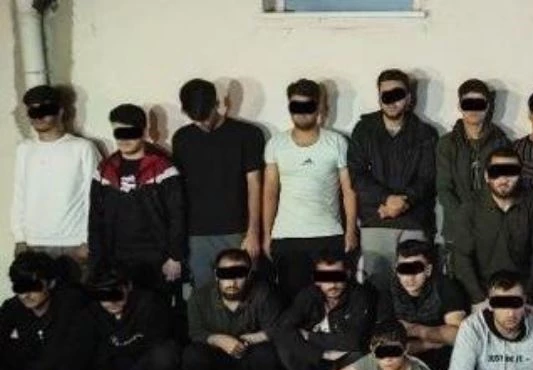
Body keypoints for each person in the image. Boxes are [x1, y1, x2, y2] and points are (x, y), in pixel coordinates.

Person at [262, 79, 358, 299]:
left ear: (320, 107)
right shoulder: (276, 144)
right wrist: (267, 235)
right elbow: (270, 193)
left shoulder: (337, 142)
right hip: (286, 237)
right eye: (297, 106)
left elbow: (349, 191)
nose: (302, 113)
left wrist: (351, 230)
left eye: (308, 106)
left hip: (328, 235)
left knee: (331, 300)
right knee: (292, 302)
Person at [348, 69, 438, 292]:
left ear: (408, 97)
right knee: (378, 289)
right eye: (385, 95)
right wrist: (387, 199)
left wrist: (403, 203)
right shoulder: (364, 129)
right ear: (379, 97)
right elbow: (357, 175)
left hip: (414, 221)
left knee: (416, 290)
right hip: (376, 220)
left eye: (397, 94)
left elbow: (428, 178)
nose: (391, 101)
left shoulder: (425, 133)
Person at [172, 79, 265, 288]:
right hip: (196, 233)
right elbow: (178, 192)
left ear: (218, 103)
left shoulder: (247, 134)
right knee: (203, 293)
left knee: (241, 291)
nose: (204, 123)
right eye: (197, 119)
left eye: (207, 116)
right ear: (185, 112)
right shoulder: (182, 139)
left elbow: (255, 185)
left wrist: (253, 232)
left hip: (237, 230)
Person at [89, 103, 185, 297]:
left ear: (143, 131)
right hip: (116, 260)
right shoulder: (104, 169)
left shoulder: (163, 168)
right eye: (119, 133)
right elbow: (95, 217)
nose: (124, 139)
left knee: (156, 309)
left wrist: (175, 257)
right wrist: (97, 259)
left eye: (130, 132)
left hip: (156, 259)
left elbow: (178, 215)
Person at [275, 251, 378, 370]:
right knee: (286, 346)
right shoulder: (308, 295)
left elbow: (354, 340)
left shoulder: (360, 295)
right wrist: (321, 353)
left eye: (337, 277)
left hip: (348, 356)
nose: (332, 284)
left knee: (357, 357)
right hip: (319, 356)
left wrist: (311, 336)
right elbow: (283, 328)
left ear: (348, 274)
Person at [182, 249, 286, 370]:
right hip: (219, 360)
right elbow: (195, 332)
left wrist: (254, 338)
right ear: (216, 275)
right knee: (192, 354)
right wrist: (217, 339)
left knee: (269, 354)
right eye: (225, 275)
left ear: (249, 275)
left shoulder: (263, 292)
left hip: (252, 358)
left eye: (239, 275)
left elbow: (278, 329)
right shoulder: (199, 297)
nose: (232, 282)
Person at [75, 268, 185, 370]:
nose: (112, 302)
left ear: (128, 287)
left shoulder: (149, 303)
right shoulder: (92, 312)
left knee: (165, 351)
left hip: (151, 365)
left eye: (116, 294)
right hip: (122, 364)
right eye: (104, 297)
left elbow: (157, 343)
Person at [12, 85, 100, 275]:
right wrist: (20, 238)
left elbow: (96, 197)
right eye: (33, 111)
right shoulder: (24, 149)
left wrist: (88, 240)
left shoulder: (82, 148)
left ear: (60, 111)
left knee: (75, 294)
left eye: (45, 110)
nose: (39, 117)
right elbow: (19, 193)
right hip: (32, 243)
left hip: (73, 244)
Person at [451, 146, 533, 311]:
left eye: (510, 172)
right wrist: (478, 299)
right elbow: (461, 257)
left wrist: (530, 298)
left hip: (524, 295)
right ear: (486, 176)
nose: (504, 179)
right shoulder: (470, 207)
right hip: (484, 295)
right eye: (497, 172)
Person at [0, 252, 86, 370]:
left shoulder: (70, 301)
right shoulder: (13, 306)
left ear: (51, 283)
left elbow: (70, 352)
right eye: (19, 288)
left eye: (33, 287)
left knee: (76, 348)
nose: (25, 295)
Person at [436, 78, 509, 261]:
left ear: (488, 106)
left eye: (479, 104)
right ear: (460, 106)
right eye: (468, 104)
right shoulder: (446, 144)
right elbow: (444, 189)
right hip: (457, 229)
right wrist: (465, 220)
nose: (474, 110)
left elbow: (506, 186)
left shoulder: (501, 142)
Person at [378, 239, 468, 370]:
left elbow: (459, 336)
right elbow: (385, 344)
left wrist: (414, 329)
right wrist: (431, 343)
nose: (409, 277)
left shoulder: (446, 286)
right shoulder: (388, 291)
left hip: (444, 362)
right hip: (403, 362)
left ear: (428, 270)